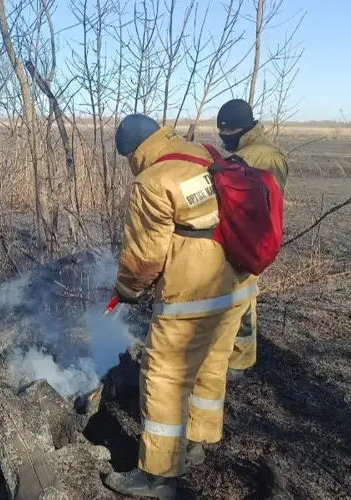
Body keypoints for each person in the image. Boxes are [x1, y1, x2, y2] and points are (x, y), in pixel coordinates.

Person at [103, 114, 257, 499]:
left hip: (194, 294)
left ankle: (157, 477)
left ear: (135, 151)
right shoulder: (204, 152)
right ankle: (196, 444)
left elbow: (144, 257)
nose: (131, 164)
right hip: (238, 285)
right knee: (210, 362)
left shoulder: (153, 181)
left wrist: (127, 289)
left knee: (163, 377)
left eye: (128, 157)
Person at [216, 99, 289, 380]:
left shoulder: (259, 156)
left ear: (242, 128)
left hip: (248, 237)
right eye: (220, 130)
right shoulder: (254, 150)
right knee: (242, 296)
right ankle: (238, 359)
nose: (223, 136)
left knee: (241, 298)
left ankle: (237, 363)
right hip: (246, 235)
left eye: (227, 130)